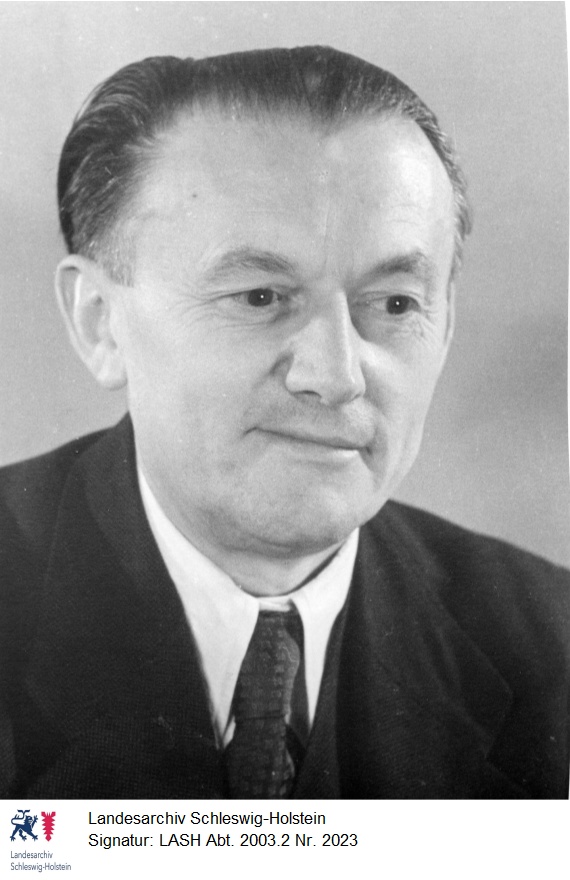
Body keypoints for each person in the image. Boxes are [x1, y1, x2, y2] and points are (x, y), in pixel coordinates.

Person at [0, 46, 568, 800]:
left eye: (394, 304)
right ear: (100, 322)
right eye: (260, 297)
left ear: (445, 327)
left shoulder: (550, 644)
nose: (336, 376)